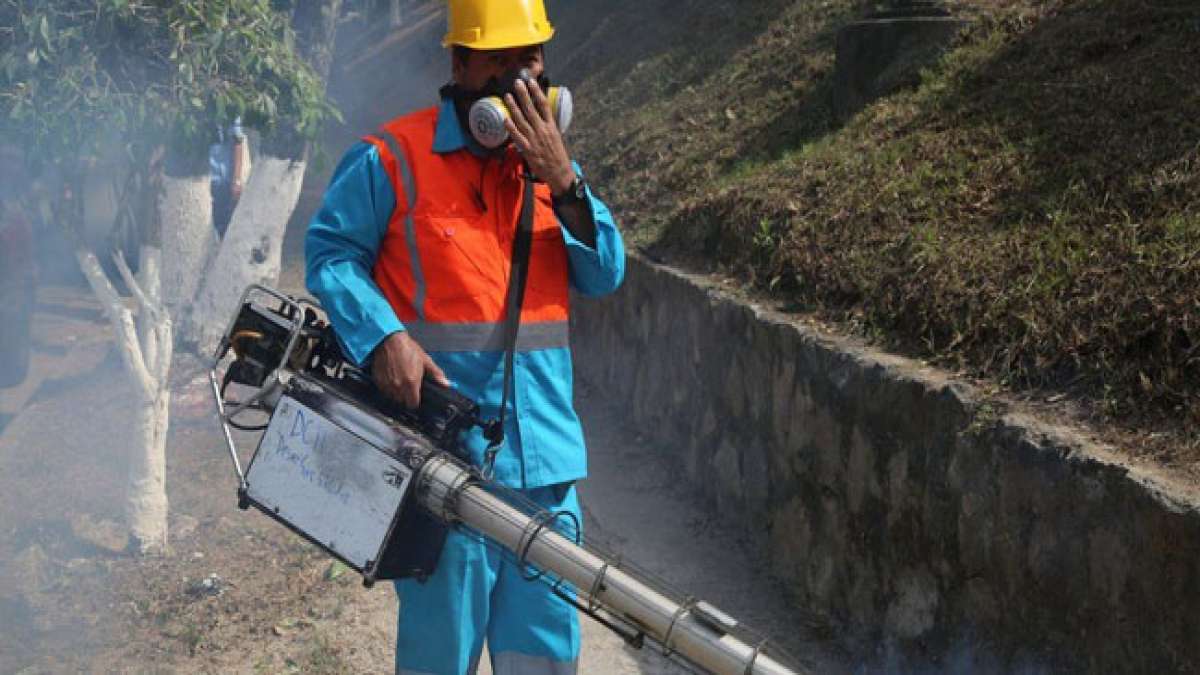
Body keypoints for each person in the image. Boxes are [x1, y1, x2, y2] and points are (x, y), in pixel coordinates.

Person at [304, 1, 625, 673]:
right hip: (445, 465)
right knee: (439, 658)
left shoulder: (551, 175)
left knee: (542, 659)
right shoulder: (392, 159)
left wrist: (564, 179)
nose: (516, 83)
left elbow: (604, 274)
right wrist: (382, 334)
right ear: (459, 65)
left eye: (529, 62)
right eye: (497, 62)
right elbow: (330, 253)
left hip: (546, 475)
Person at [209, 116, 250, 238]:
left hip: (221, 180)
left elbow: (238, 142)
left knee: (222, 228)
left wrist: (236, 180)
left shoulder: (228, 107)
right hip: (197, 181)